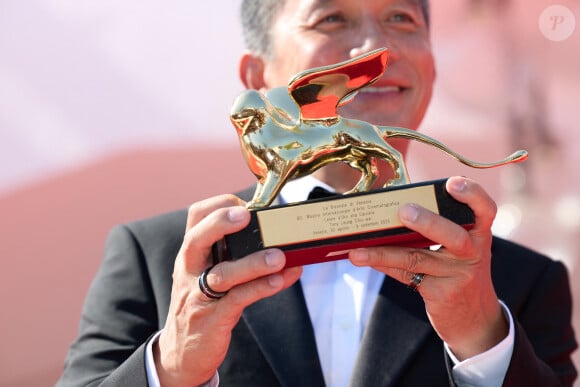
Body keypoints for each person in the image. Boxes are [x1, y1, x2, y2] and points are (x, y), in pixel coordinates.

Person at [57, 0, 577, 386]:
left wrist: (485, 347)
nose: (376, 48)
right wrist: (170, 367)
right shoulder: (157, 258)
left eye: (402, 19)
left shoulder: (522, 282)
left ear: (433, 69)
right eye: (332, 18)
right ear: (257, 76)